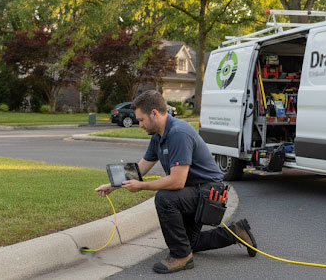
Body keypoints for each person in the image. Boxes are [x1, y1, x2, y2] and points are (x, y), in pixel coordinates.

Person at [95, 90, 257, 274]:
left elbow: (177, 182)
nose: (139, 124)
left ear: (154, 113)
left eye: (141, 120)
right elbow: (140, 169)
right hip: (195, 191)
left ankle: (181, 257)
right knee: (190, 242)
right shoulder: (158, 137)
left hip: (210, 193)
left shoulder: (178, 133)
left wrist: (142, 186)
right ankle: (236, 232)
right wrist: (112, 185)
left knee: (165, 198)